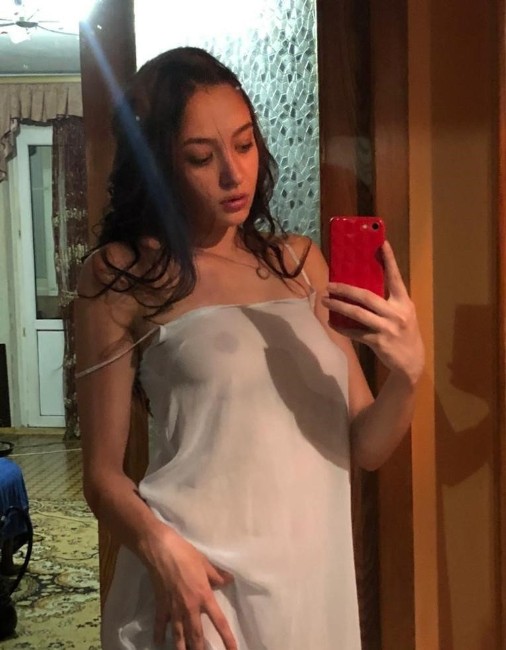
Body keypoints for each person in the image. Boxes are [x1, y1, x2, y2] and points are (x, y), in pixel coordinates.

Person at [75, 46, 424, 650]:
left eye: (243, 144)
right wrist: (161, 548)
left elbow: (366, 445)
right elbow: (102, 477)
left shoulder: (301, 263)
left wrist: (409, 372)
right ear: (158, 164)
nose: (234, 174)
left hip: (310, 585)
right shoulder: (120, 274)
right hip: (198, 584)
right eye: (200, 157)